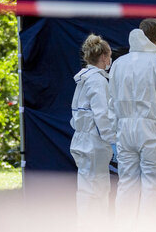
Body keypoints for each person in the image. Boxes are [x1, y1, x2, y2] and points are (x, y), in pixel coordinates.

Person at [109, 18, 156, 222]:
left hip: (124, 131)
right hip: (152, 131)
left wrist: (112, 137)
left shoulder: (118, 64)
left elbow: (111, 102)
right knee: (154, 186)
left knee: (127, 185)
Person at [70, 35, 116, 222]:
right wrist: (112, 140)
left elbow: (77, 114)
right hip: (94, 143)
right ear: (104, 56)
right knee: (97, 190)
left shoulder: (83, 79)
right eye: (110, 56)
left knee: (86, 189)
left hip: (82, 139)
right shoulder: (97, 81)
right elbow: (102, 115)